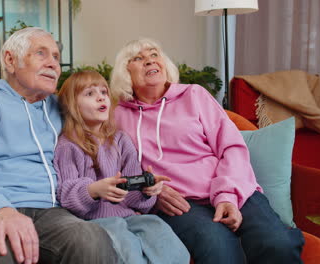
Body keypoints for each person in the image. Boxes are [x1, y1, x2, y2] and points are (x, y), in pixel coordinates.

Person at [110, 38, 305, 264]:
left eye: (154, 54)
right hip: (179, 201)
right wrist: (151, 194)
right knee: (219, 251)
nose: (149, 61)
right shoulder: (117, 116)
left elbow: (232, 148)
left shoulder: (194, 95)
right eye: (138, 58)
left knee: (278, 243)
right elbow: (114, 169)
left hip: (230, 187)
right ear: (125, 73)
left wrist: (227, 197)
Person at [0, 27, 117, 264]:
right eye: (41, 53)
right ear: (10, 60)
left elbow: (104, 132)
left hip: (50, 211)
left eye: (56, 57)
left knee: (92, 239)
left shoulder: (61, 107)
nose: (54, 64)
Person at [54, 70, 190, 264]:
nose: (101, 97)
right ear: (71, 106)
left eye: (103, 92)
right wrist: (93, 190)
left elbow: (133, 194)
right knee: (128, 253)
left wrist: (146, 190)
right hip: (95, 222)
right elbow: (66, 195)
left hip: (129, 216)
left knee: (164, 238)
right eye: (90, 93)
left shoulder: (120, 140)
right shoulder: (68, 146)